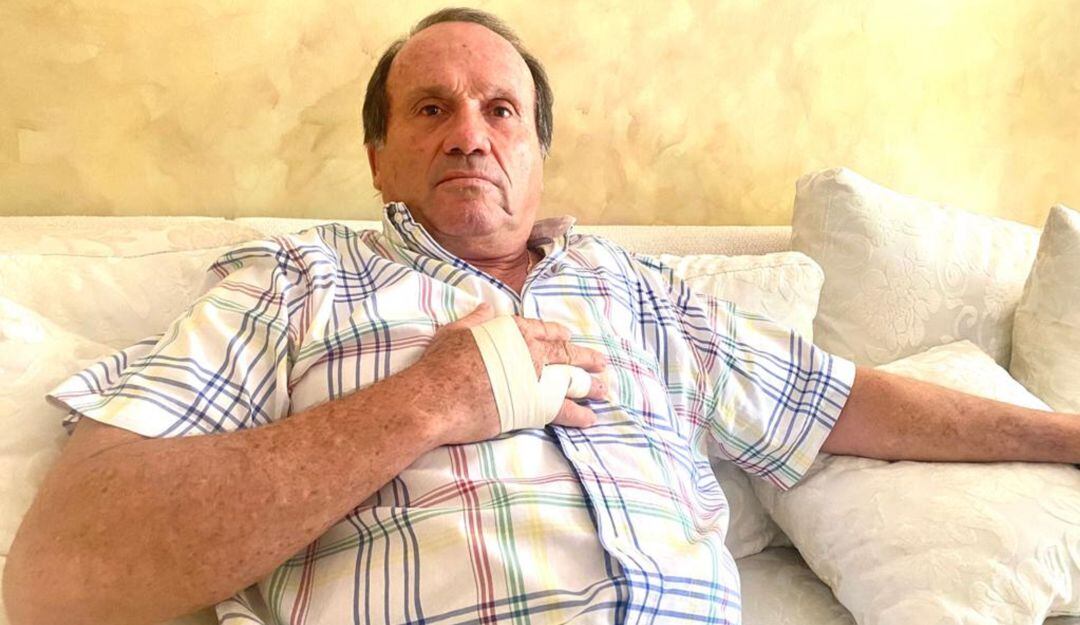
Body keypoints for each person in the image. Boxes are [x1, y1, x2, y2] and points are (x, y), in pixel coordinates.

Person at [5, 8, 1078, 625]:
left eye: (500, 110)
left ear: (535, 151)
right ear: (377, 157)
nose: (469, 134)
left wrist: (1067, 434)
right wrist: (431, 401)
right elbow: (66, 566)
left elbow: (839, 401)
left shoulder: (640, 291)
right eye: (431, 109)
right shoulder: (290, 280)